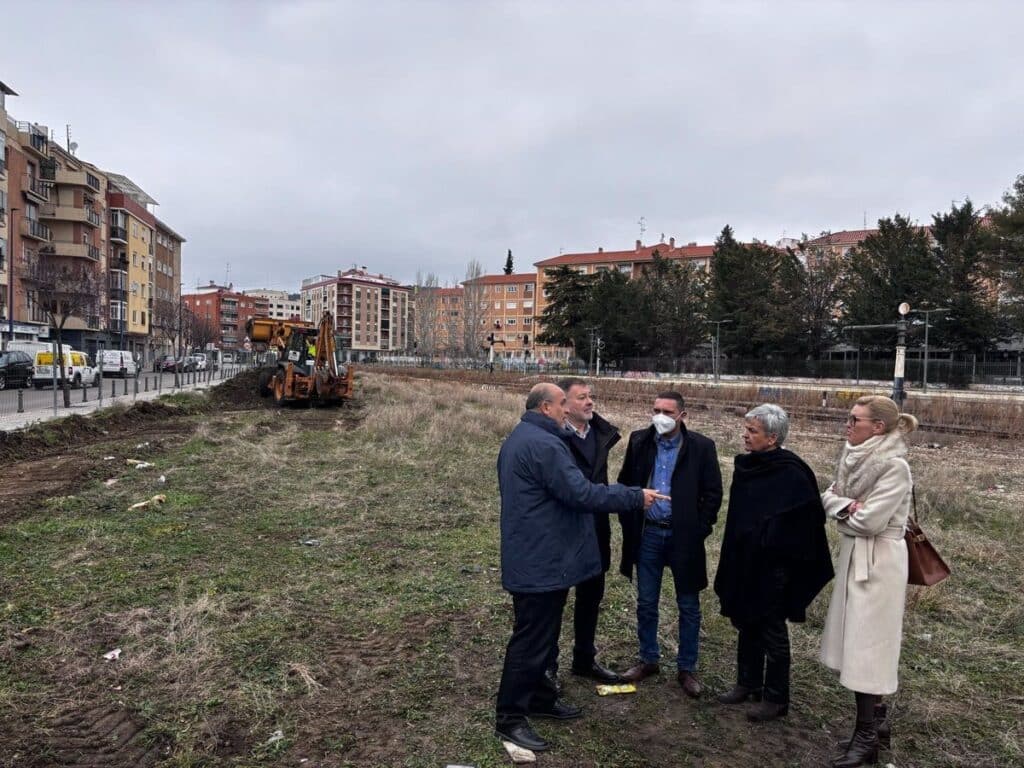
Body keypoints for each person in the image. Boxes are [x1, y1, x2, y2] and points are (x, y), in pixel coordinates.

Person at [496, 383, 663, 753]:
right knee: (530, 641)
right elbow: (582, 493)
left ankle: (539, 698)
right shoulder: (544, 444)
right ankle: (509, 718)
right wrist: (636, 496)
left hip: (540, 556)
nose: (564, 412)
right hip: (539, 561)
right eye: (560, 405)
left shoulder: (522, 437)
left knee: (542, 635)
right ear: (545, 408)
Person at [713, 404, 834, 722]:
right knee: (746, 621)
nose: (745, 435)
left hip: (775, 568)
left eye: (752, 431)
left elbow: (809, 521)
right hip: (744, 560)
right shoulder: (747, 466)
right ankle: (747, 683)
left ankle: (776, 697)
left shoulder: (792, 471)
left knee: (771, 630)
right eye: (746, 428)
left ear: (773, 437)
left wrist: (773, 541)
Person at [819, 395, 918, 768]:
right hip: (856, 557)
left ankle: (867, 737)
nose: (848, 425)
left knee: (868, 650)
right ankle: (874, 728)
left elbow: (869, 523)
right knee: (857, 643)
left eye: (855, 420)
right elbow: (828, 494)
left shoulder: (894, 466)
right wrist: (845, 505)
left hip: (879, 564)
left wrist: (843, 511)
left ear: (878, 427)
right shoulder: (853, 456)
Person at [617, 391, 723, 698]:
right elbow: (626, 484)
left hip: (682, 537)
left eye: (667, 411)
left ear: (682, 416)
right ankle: (648, 658)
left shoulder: (701, 447)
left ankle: (686, 667)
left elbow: (713, 493)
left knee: (688, 605)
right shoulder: (640, 441)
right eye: (655, 410)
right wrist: (631, 517)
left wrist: (698, 529)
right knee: (646, 602)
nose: (659, 416)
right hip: (649, 533)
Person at [545, 378, 625, 688]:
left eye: (590, 396)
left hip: (596, 528)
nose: (590, 402)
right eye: (581, 398)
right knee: (555, 602)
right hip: (564, 531)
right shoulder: (551, 440)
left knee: (591, 597)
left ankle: (584, 659)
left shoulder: (601, 434)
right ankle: (548, 667)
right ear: (563, 405)